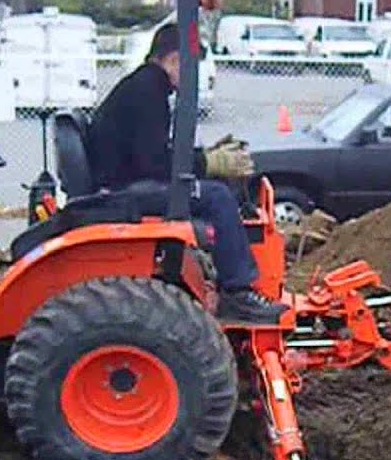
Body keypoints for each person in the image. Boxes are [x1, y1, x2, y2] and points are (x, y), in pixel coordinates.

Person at [87, 23, 289, 324]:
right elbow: (153, 162)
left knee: (211, 189)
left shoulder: (144, 85)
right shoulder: (149, 90)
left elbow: (155, 152)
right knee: (218, 197)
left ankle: (222, 275)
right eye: (191, 66)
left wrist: (202, 158)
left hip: (123, 179)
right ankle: (238, 291)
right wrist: (208, 163)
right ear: (174, 60)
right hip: (124, 189)